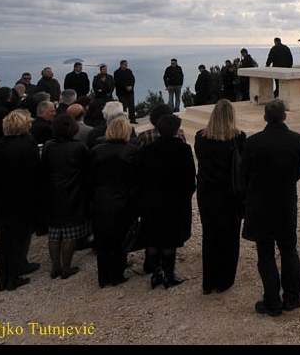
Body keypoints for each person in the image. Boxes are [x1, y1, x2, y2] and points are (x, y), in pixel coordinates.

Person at [241, 99, 300, 317]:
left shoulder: (252, 143)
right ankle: (291, 298)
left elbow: (245, 174)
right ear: (285, 116)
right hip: (286, 203)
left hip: (260, 205)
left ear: (265, 118)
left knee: (266, 253)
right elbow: (299, 171)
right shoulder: (297, 140)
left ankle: (272, 302)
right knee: (289, 251)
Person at [0, 108, 42, 291]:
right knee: (20, 239)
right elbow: (35, 171)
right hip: (23, 198)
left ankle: (4, 278)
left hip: (0, 199)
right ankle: (16, 273)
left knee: (3, 241)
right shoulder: (27, 144)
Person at [195, 99, 248, 294]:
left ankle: (209, 281)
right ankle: (225, 280)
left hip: (207, 193)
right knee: (230, 238)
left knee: (210, 236)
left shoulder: (201, 138)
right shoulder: (240, 138)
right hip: (230, 194)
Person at [139, 113, 196, 289]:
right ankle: (168, 275)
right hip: (175, 200)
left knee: (153, 236)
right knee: (170, 238)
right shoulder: (183, 149)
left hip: (153, 199)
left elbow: (141, 177)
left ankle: (155, 271)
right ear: (176, 130)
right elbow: (190, 177)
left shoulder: (148, 150)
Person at [90, 115, 141, 288]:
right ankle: (117, 274)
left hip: (100, 199)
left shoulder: (97, 150)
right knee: (120, 239)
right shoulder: (133, 150)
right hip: (123, 199)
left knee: (102, 240)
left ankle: (103, 277)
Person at [41, 112, 92, 281]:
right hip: (73, 192)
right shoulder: (79, 147)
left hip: (52, 192)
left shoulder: (48, 146)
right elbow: (87, 170)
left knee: (55, 233)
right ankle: (66, 267)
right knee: (70, 233)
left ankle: (55, 267)